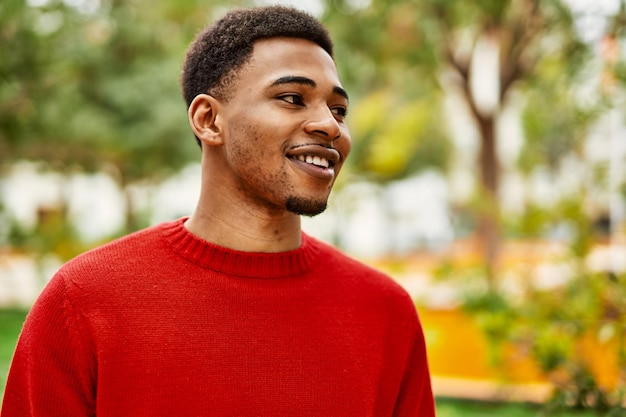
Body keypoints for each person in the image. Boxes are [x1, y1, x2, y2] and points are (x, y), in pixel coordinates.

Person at [1, 5, 435, 416]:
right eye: (291, 98)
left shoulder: (385, 314)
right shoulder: (83, 302)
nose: (330, 125)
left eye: (338, 109)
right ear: (208, 120)